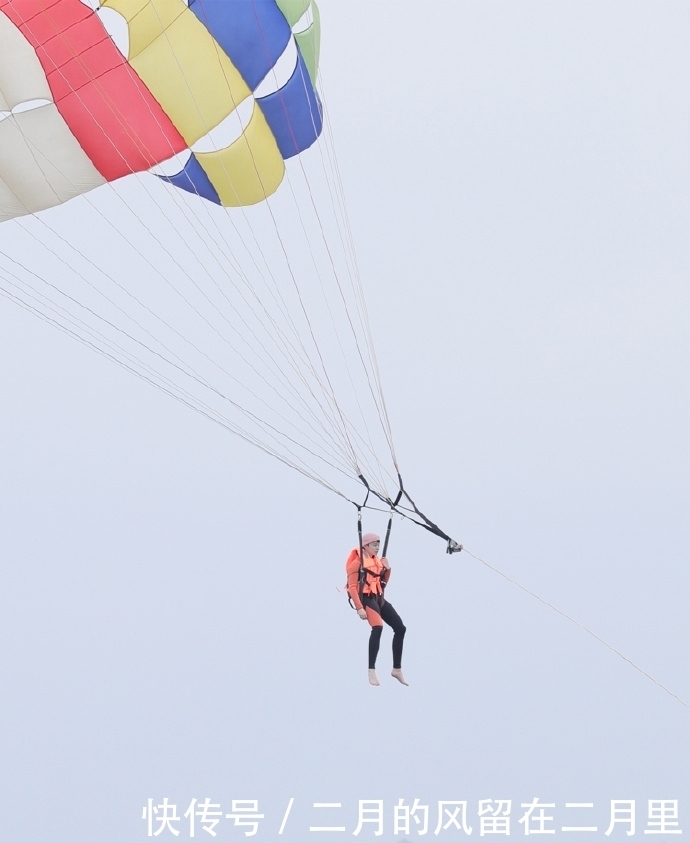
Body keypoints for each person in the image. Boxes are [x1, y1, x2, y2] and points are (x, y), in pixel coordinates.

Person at [345, 532, 408, 686]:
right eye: (374, 544)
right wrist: (359, 608)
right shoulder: (357, 563)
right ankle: (371, 670)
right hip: (364, 598)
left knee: (400, 628)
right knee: (378, 627)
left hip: (377, 597)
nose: (377, 547)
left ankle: (396, 669)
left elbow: (383, 582)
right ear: (365, 546)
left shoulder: (378, 562)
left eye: (378, 544)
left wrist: (388, 569)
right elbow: (352, 588)